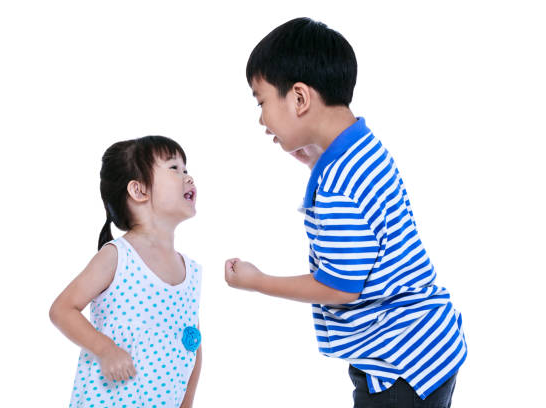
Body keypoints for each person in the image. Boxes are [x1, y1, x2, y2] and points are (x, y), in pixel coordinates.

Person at [225, 17, 466, 408]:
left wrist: (260, 281)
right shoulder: (362, 147)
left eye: (261, 101)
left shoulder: (338, 187)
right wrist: (314, 162)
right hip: (429, 348)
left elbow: (340, 288)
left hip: (399, 368)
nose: (261, 119)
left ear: (299, 98)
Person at [50, 136, 202, 408]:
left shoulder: (191, 273)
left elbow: (194, 349)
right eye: (174, 168)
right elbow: (62, 309)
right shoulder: (118, 256)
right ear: (139, 190)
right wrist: (105, 349)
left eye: (187, 169)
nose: (188, 177)